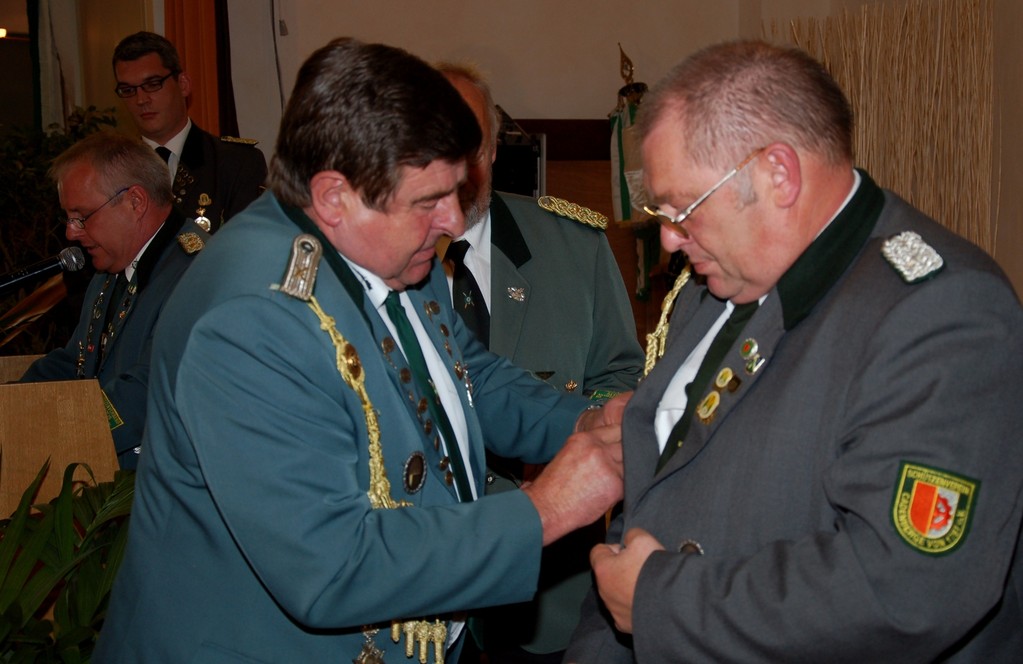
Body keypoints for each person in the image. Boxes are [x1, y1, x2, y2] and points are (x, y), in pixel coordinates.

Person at [94, 38, 627, 664]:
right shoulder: (248, 322)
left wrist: (584, 422)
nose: (454, 222)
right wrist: (545, 510)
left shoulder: (394, 247)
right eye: (430, 201)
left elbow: (463, 376)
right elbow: (331, 566)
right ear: (333, 197)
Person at [566, 39, 1023, 662]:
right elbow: (653, 496)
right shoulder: (713, 285)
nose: (670, 238)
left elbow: (906, 589)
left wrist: (661, 599)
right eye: (662, 211)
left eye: (685, 208)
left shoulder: (941, 314)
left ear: (777, 174)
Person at [435, 63, 643, 664]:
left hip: (547, 591)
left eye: (468, 140)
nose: (452, 162)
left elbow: (619, 375)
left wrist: (570, 448)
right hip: (418, 587)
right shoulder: (391, 262)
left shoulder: (574, 247)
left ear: (495, 148)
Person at [19, 132, 208, 469]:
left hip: (162, 486)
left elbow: (147, 394)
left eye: (82, 216)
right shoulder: (112, 268)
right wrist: (13, 406)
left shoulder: (197, 274)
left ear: (135, 202)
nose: (71, 233)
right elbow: (76, 362)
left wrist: (55, 435)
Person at [112, 31, 267, 232]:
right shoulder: (113, 172)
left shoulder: (235, 163)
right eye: (128, 90)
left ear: (183, 85)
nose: (141, 100)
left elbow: (246, 249)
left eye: (152, 85)